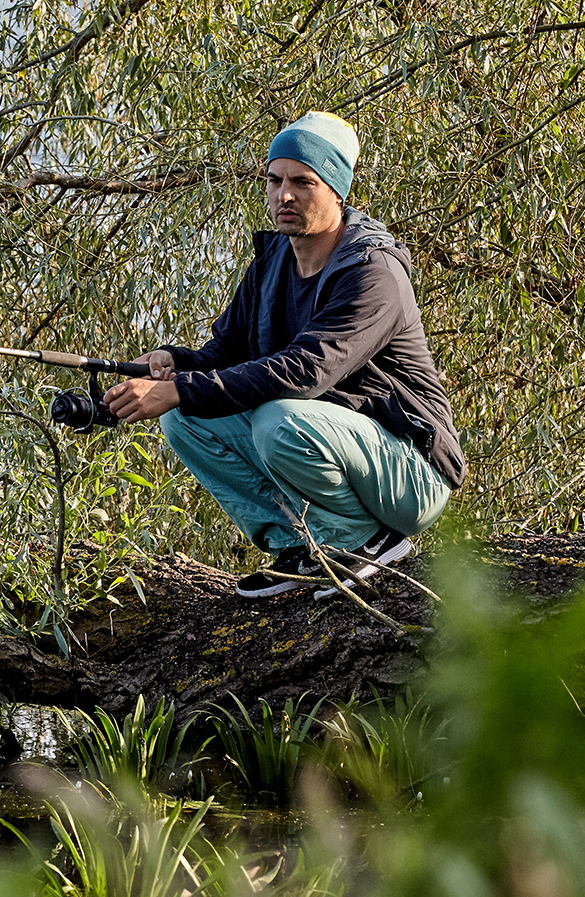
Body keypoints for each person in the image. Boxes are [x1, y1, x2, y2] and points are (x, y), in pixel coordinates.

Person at [102, 111, 464, 599]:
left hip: (410, 472)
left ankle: (362, 541)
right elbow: (227, 353)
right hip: (336, 441)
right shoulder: (272, 260)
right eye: (274, 181)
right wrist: (175, 363)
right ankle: (300, 546)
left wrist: (178, 389)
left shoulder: (373, 273)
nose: (283, 195)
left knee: (277, 419)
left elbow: (303, 373)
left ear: (336, 189)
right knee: (184, 419)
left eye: (302, 182)